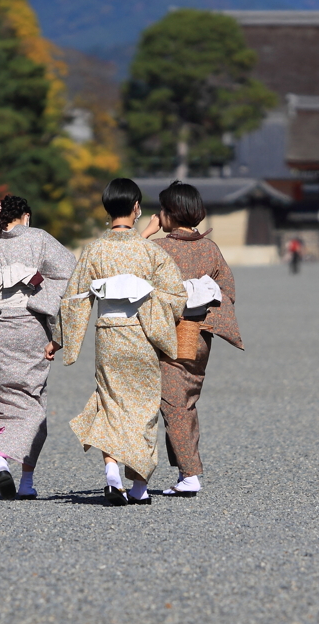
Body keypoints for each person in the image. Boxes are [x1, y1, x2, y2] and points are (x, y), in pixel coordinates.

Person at [54, 178, 186, 506]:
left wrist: (61, 340)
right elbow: (176, 297)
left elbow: (74, 299)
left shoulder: (93, 250)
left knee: (110, 402)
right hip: (142, 334)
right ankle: (140, 489)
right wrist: (150, 298)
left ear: (107, 209)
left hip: (108, 335)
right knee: (142, 409)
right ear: (137, 208)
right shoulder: (149, 250)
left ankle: (112, 473)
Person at [0, 195, 77, 500]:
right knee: (32, 402)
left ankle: (0, 460)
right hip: (31, 326)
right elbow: (69, 273)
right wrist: (40, 298)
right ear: (26, 215)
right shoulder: (40, 239)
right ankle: (26, 482)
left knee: (1, 395)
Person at [141, 181, 243, 497]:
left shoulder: (158, 248)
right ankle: (186, 470)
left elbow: (127, 265)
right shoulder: (210, 249)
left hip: (170, 334)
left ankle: (189, 475)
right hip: (199, 334)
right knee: (186, 399)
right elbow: (228, 291)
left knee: (174, 404)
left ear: (170, 214)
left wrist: (145, 233)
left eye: (161, 210)